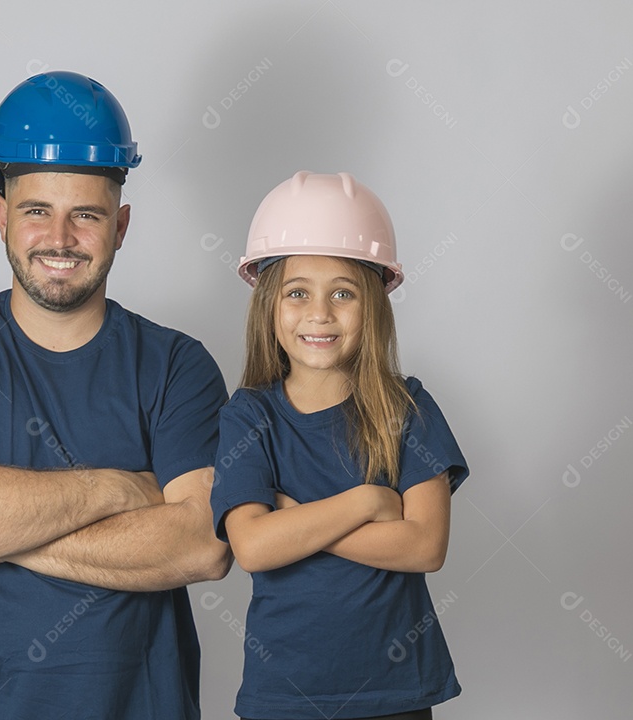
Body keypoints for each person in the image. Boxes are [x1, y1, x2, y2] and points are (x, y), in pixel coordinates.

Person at [0, 71, 230, 719]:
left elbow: (203, 544)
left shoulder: (178, 364)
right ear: (3, 215)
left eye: (86, 215)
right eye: (37, 210)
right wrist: (123, 490)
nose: (60, 239)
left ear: (120, 226)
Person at [210, 171, 469, 720]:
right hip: (285, 695)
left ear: (373, 303)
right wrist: (366, 503)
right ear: (268, 307)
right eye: (297, 292)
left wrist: (296, 522)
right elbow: (252, 547)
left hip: (395, 692)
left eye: (343, 294)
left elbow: (425, 546)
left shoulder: (407, 408)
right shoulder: (249, 416)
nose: (319, 313)